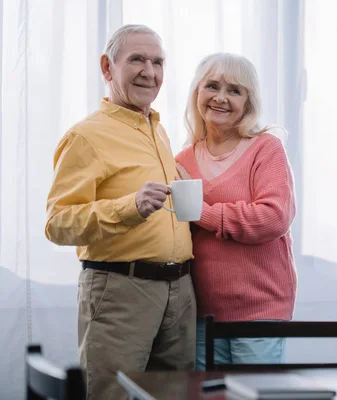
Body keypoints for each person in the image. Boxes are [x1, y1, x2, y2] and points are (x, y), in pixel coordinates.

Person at [45, 24, 195, 399]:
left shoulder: (157, 129)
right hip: (120, 291)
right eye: (137, 60)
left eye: (158, 61)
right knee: (111, 395)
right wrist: (130, 206)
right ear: (107, 67)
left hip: (180, 292)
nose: (150, 71)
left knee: (176, 396)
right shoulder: (86, 136)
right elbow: (57, 223)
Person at [175, 53, 297, 370]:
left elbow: (273, 217)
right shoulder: (182, 160)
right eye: (212, 86)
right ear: (197, 92)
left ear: (248, 101)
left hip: (259, 311)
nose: (221, 98)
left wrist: (200, 212)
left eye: (235, 90)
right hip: (200, 311)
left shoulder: (266, 148)